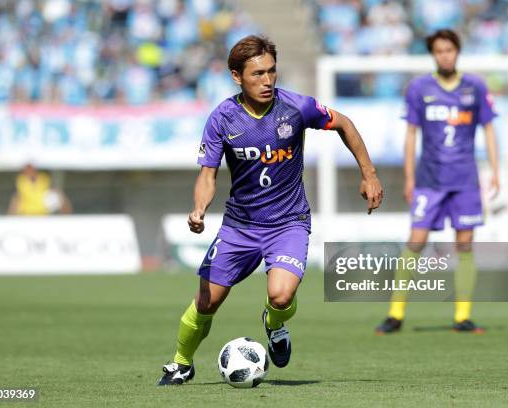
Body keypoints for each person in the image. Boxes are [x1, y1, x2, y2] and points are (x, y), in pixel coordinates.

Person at [158, 35, 383, 385]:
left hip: (288, 223)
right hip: (239, 226)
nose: (267, 81)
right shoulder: (223, 118)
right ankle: (181, 363)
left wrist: (368, 174)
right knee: (206, 303)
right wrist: (199, 209)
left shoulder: (296, 107)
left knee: (281, 295)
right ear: (237, 77)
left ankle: (275, 325)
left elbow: (344, 123)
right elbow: (208, 175)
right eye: (257, 74)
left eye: (271, 72)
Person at [375, 29, 499, 334]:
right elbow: (411, 134)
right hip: (429, 178)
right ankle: (395, 314)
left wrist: (495, 170)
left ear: (458, 51)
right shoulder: (419, 88)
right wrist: (408, 178)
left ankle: (462, 317)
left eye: (450, 50)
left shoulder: (475, 86)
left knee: (466, 243)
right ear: (433, 54)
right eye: (439, 51)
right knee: (416, 241)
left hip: (465, 178)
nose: (445, 55)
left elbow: (489, 129)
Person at [8, 164, 72, 215]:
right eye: (27, 169)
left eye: (31, 168)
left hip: (42, 212)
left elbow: (55, 193)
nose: (29, 171)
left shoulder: (44, 178)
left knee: (57, 196)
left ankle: (67, 216)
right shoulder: (21, 180)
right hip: (26, 213)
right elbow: (17, 197)